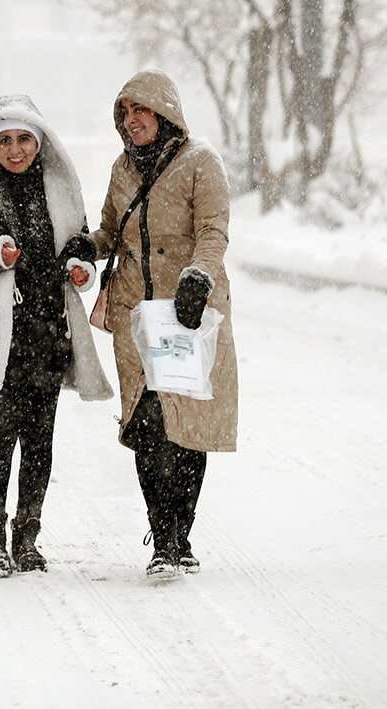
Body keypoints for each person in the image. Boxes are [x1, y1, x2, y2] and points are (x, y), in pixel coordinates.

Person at [0, 94, 112, 579]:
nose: (16, 150)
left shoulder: (60, 185)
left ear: (39, 140)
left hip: (48, 330)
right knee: (0, 432)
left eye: (24, 139)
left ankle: (27, 536)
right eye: (5, 141)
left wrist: (78, 268)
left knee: (40, 437)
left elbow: (81, 245)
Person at [87, 69, 238, 578]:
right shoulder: (121, 169)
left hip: (185, 314)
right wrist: (88, 246)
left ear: (164, 111)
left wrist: (199, 274)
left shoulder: (201, 163)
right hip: (135, 315)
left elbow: (213, 229)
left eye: (141, 111)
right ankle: (162, 537)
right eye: (125, 114)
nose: (132, 122)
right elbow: (111, 229)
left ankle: (182, 532)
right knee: (146, 424)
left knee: (185, 426)